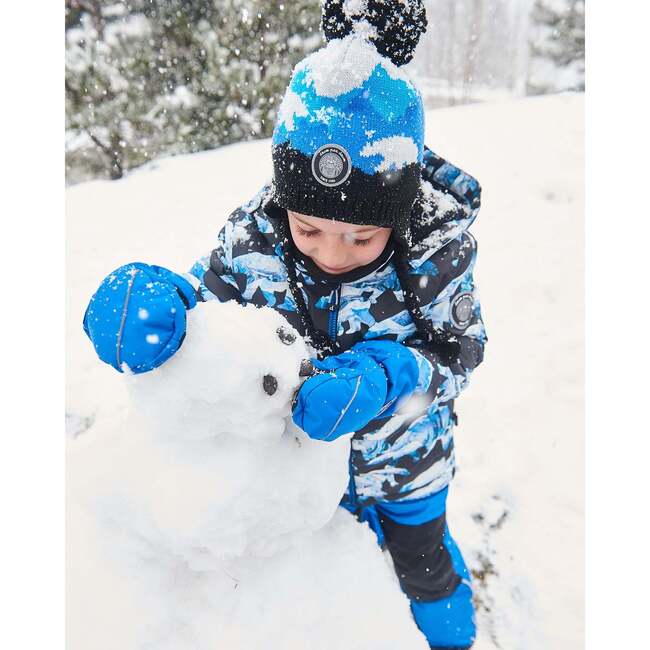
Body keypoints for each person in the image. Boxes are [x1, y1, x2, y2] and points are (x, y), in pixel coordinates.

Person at [82, 3, 486, 648]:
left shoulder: (435, 251)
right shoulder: (252, 235)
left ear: (400, 208)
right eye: (310, 230)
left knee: (426, 570)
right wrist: (161, 306)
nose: (331, 253)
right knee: (336, 582)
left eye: (361, 237)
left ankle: (453, 638)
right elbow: (210, 308)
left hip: (411, 465)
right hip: (305, 475)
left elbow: (460, 350)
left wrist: (393, 373)